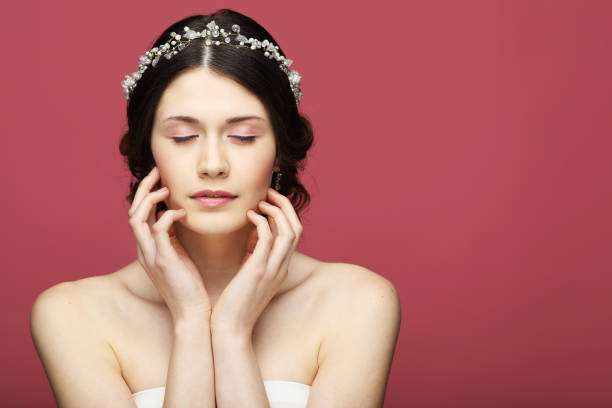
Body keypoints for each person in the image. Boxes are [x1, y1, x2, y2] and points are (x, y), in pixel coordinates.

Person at [30, 8, 401, 408]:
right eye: (183, 136)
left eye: (243, 136)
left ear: (279, 152)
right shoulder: (71, 315)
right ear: (148, 150)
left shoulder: (359, 303)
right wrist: (190, 321)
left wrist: (231, 333)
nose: (212, 164)